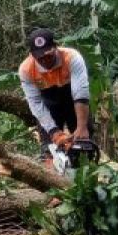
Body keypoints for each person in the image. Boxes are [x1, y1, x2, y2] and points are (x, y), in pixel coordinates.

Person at [18, 28, 92, 161]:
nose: (45, 60)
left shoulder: (72, 57)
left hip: (73, 101)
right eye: (40, 58)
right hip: (49, 103)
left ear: (56, 47)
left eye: (48, 55)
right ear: (32, 55)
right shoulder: (26, 70)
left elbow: (80, 93)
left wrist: (82, 127)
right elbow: (35, 103)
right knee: (49, 148)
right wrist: (53, 132)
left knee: (84, 143)